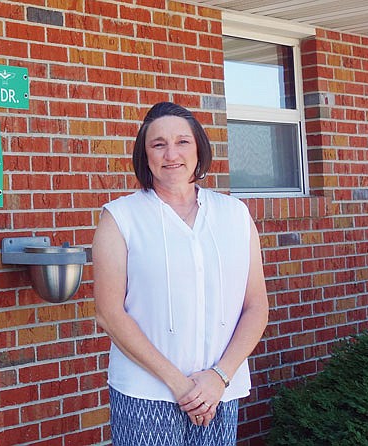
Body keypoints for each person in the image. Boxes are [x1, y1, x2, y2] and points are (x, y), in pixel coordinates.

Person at [92, 102, 269, 445]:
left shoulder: (234, 215)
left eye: (182, 142)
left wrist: (219, 377)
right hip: (146, 395)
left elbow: (256, 306)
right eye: (158, 144)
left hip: (219, 393)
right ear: (145, 155)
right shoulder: (121, 218)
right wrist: (180, 385)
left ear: (199, 148)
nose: (171, 153)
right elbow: (109, 314)